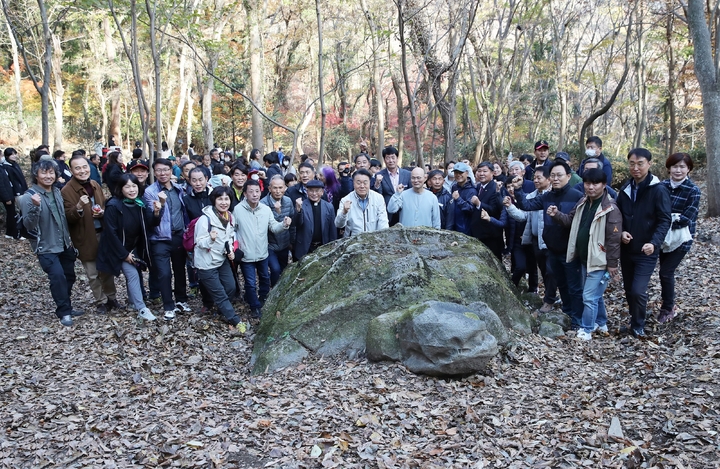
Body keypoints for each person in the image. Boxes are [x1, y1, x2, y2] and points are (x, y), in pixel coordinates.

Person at [548, 168, 622, 341]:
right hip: (584, 258)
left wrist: (612, 264)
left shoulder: (610, 208)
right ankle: (601, 322)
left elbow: (614, 238)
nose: (591, 187)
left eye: (595, 183)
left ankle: (586, 329)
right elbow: (570, 221)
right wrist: (557, 215)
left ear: (604, 185)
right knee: (595, 294)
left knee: (588, 296)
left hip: (599, 259)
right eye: (587, 183)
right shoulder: (583, 202)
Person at [513, 160, 584, 326]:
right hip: (552, 248)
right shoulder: (547, 196)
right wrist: (518, 189)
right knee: (562, 284)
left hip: (570, 250)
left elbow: (575, 223)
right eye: (553, 175)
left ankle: (577, 320)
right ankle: (567, 313)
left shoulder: (576, 197)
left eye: (559, 175)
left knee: (574, 286)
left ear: (568, 176)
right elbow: (526, 205)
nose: (556, 178)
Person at [19, 159, 84, 326]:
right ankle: (63, 312)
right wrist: (35, 207)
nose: (48, 176)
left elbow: (63, 218)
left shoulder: (56, 192)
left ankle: (66, 306)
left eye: (51, 173)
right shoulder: (29, 196)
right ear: (36, 175)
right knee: (58, 277)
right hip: (46, 247)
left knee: (69, 276)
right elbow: (29, 225)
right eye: (44, 173)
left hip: (64, 244)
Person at [616, 148, 671, 338]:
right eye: (632, 163)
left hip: (646, 250)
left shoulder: (658, 190)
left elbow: (665, 220)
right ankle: (635, 319)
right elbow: (619, 216)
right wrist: (621, 232)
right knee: (630, 289)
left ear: (649, 164)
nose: (636, 168)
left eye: (640, 163)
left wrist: (654, 243)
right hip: (627, 248)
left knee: (639, 290)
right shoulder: (625, 189)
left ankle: (638, 324)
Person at [97, 173, 161, 321]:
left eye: (134, 186)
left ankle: (133, 302)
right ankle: (141, 308)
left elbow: (149, 224)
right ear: (121, 189)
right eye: (127, 187)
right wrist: (124, 254)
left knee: (134, 273)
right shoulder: (114, 205)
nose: (132, 190)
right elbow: (111, 234)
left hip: (132, 247)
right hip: (116, 249)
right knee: (132, 274)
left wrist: (157, 212)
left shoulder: (139, 204)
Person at [61, 152, 119, 314]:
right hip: (84, 236)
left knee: (106, 269)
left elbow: (104, 205)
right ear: (71, 171)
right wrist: (78, 207)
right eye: (77, 168)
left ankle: (111, 298)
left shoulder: (94, 184)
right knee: (93, 273)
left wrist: (102, 213)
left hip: (103, 233)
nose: (82, 171)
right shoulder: (67, 190)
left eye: (84, 167)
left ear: (89, 167)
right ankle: (100, 301)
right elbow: (68, 216)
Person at [234, 179, 292, 318]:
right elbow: (232, 230)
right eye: (251, 192)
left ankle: (263, 299)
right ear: (245, 194)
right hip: (246, 254)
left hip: (262, 252)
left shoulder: (265, 209)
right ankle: (254, 306)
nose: (254, 194)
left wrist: (284, 225)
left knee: (265, 278)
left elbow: (273, 226)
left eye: (257, 191)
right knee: (250, 282)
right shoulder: (238, 210)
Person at [144, 158, 192, 320]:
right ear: (154, 172)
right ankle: (168, 305)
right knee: (164, 273)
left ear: (172, 170)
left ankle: (181, 300)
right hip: (159, 239)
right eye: (158, 170)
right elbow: (152, 221)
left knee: (180, 270)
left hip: (178, 236)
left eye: (165, 169)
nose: (162, 173)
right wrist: (160, 206)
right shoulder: (150, 192)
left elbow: (183, 212)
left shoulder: (178, 189)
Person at [657, 152, 700, 324]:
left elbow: (686, 217)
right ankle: (667, 304)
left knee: (666, 272)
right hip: (662, 237)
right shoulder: (661, 186)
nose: (678, 170)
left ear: (688, 169)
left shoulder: (693, 190)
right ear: (669, 168)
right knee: (664, 272)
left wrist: (665, 219)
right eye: (675, 166)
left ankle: (668, 308)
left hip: (682, 238)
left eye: (682, 167)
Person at [194, 186, 244, 327]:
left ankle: (222, 310)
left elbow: (228, 237)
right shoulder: (205, 220)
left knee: (230, 287)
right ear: (214, 201)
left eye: (226, 199)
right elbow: (199, 242)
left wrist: (231, 250)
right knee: (220, 293)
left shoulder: (230, 217)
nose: (223, 202)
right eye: (220, 199)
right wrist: (211, 239)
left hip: (221, 259)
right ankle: (235, 320)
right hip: (206, 263)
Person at [505, 166, 553, 302]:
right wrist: (510, 207)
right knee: (543, 270)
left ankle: (550, 297)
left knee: (551, 271)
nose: (536, 181)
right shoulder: (532, 195)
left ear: (548, 179)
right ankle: (548, 297)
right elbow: (523, 215)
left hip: (549, 241)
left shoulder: (552, 196)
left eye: (539, 178)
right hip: (535, 240)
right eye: (535, 178)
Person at [261, 175, 296, 286]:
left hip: (284, 244)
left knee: (283, 269)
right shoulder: (263, 204)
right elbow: (269, 225)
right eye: (275, 188)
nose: (278, 191)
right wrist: (278, 212)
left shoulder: (288, 201)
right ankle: (273, 292)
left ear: (285, 188)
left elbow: (292, 222)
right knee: (275, 269)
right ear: (269, 188)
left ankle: (281, 291)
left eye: (280, 188)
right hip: (270, 245)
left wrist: (292, 240)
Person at [335, 169, 389, 237]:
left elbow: (383, 222)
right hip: (352, 241)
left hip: (373, 240)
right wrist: (344, 212)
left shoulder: (378, 198)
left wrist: (381, 238)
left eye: (365, 182)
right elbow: (338, 224)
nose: (362, 186)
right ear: (353, 183)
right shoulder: (345, 200)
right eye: (358, 183)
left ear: (369, 182)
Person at [294, 179, 337, 261]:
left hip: (323, 246)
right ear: (307, 191)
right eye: (311, 191)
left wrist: (333, 246)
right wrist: (298, 210)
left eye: (317, 191)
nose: (314, 194)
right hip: (305, 247)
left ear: (322, 192)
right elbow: (297, 224)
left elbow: (332, 229)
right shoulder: (302, 205)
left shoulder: (329, 207)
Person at [470, 162, 505, 259]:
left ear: (492, 173)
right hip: (477, 232)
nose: (481, 174)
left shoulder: (496, 188)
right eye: (479, 171)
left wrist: (479, 204)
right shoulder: (477, 187)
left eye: (485, 171)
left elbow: (494, 209)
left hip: (491, 234)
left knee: (494, 261)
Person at [373, 146, 411, 226]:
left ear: (397, 158)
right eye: (388, 158)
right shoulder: (379, 175)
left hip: (404, 210)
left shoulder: (407, 174)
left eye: (393, 157)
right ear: (384, 160)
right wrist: (377, 184)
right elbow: (379, 195)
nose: (391, 161)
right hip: (387, 211)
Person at [449, 162, 477, 236]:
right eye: (456, 172)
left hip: (466, 227)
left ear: (466, 173)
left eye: (461, 172)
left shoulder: (472, 190)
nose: (458, 175)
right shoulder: (454, 187)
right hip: (454, 225)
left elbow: (471, 209)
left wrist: (458, 199)